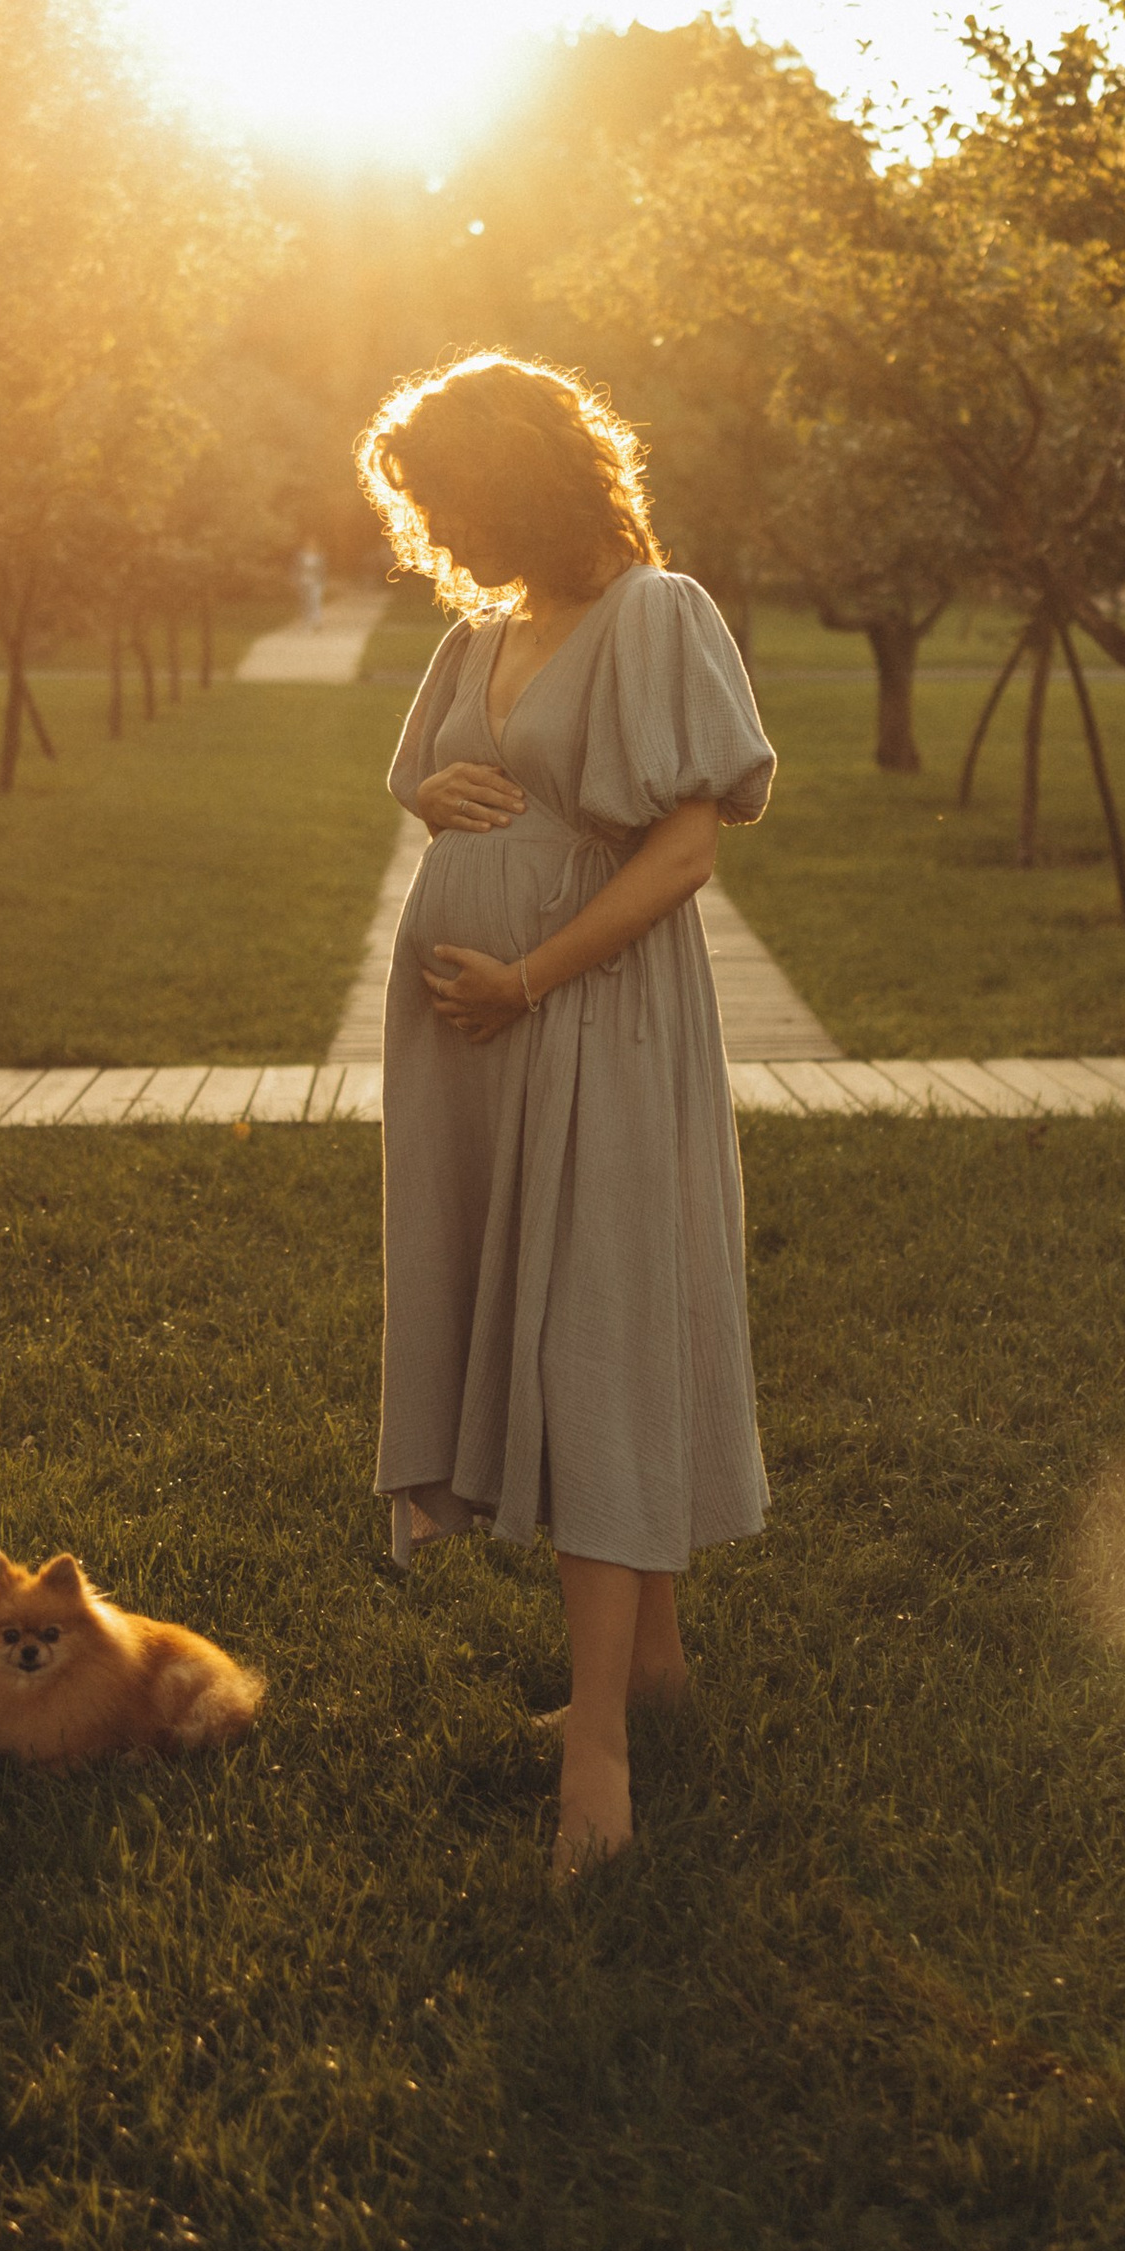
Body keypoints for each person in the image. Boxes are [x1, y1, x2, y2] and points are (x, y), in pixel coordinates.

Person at [355, 351, 777, 1882]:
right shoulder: (490, 627)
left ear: (524, 476)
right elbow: (434, 777)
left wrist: (526, 973)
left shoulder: (655, 614)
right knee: (536, 1317)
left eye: (452, 495)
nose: (439, 529)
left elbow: (682, 856)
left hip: (590, 1017)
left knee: (595, 1334)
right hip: (481, 1044)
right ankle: (649, 1664)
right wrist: (439, 805)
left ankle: (597, 1745)